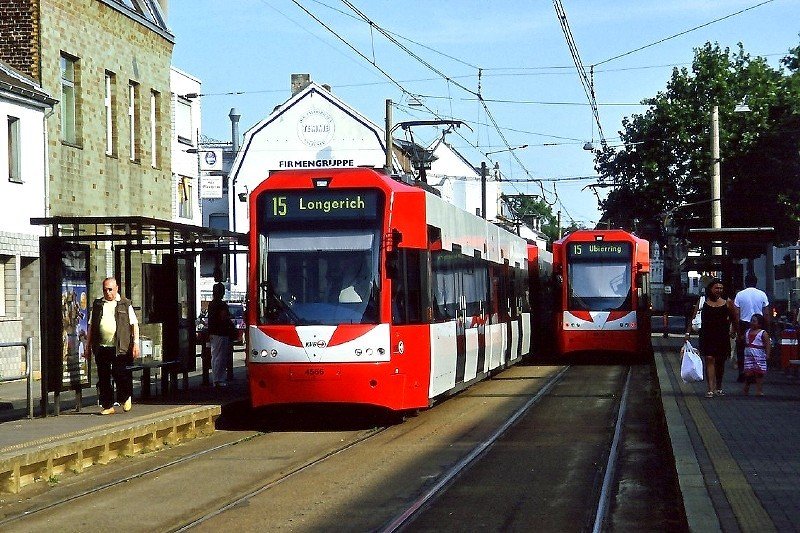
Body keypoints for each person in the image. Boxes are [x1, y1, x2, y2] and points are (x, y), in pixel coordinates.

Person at [85, 277, 140, 415]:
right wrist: (88, 346)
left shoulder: (125, 304)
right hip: (101, 346)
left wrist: (136, 344)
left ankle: (125, 396)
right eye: (105, 289)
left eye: (110, 289)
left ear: (116, 288)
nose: (107, 292)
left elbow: (134, 325)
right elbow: (91, 326)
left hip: (120, 347)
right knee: (103, 377)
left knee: (119, 373)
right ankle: (108, 405)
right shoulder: (98, 305)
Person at [686, 279, 736, 398]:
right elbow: (693, 317)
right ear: (710, 289)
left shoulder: (727, 302)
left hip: (722, 335)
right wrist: (687, 333)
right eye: (716, 288)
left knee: (720, 362)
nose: (719, 290)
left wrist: (734, 331)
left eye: (721, 288)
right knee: (709, 359)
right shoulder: (703, 301)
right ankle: (710, 388)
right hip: (707, 334)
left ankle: (719, 386)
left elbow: (735, 319)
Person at [734, 274, 770, 382]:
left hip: (744, 324)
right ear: (756, 282)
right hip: (759, 324)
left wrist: (737, 329)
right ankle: (756, 373)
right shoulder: (762, 294)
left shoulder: (740, 295)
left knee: (742, 350)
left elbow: (736, 313)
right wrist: (767, 328)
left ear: (745, 282)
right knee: (758, 349)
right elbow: (766, 313)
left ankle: (742, 373)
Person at [207, 282, 232, 387]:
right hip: (221, 333)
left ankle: (215, 379)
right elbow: (224, 317)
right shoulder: (221, 305)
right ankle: (218, 379)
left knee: (215, 356)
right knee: (220, 357)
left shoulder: (211, 304)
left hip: (213, 332)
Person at [742, 313, 770, 396]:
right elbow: (744, 341)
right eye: (751, 321)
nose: (752, 323)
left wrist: (767, 354)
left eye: (754, 321)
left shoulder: (763, 333)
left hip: (759, 355)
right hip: (748, 355)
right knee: (748, 373)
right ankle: (746, 388)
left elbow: (767, 344)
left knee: (759, 373)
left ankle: (759, 390)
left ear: (760, 323)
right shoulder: (747, 332)